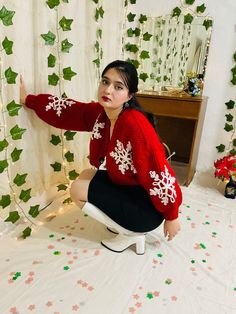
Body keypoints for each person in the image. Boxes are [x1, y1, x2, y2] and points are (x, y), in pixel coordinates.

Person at [20, 60, 182, 255]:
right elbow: (68, 110)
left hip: (146, 210)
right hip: (131, 190)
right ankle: (119, 223)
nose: (108, 90)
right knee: (86, 175)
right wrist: (29, 100)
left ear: (129, 95)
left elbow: (158, 171)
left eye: (118, 87)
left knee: (77, 189)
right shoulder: (103, 113)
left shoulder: (135, 124)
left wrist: (172, 216)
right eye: (105, 82)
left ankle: (129, 233)